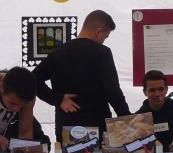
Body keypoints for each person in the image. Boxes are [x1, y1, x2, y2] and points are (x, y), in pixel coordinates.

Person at [33, 9, 129, 140]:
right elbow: (112, 90)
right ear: (99, 31)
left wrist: (58, 99)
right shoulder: (102, 52)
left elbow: (32, 79)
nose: (104, 41)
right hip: (97, 124)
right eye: (105, 37)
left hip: (66, 125)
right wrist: (127, 118)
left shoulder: (58, 53)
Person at [135, 70, 173, 151]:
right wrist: (150, 143)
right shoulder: (137, 118)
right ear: (145, 92)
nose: (157, 94)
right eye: (152, 90)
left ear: (166, 89)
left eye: (161, 89)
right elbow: (129, 147)